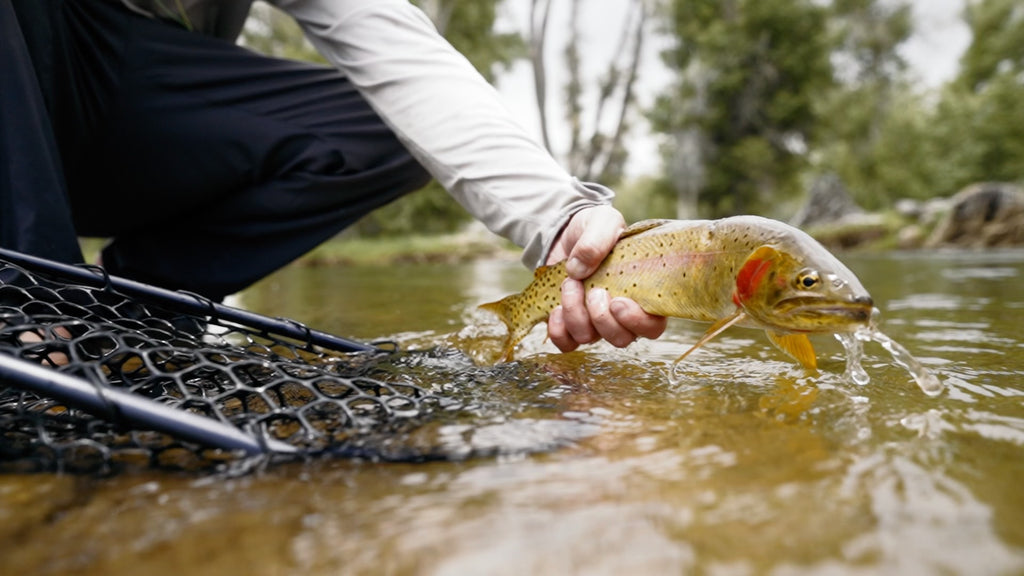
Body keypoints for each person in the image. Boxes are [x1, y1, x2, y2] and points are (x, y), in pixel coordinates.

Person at [1, 0, 667, 355]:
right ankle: (37, 308)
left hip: (119, 104)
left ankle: (135, 312)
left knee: (387, 130)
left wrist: (560, 217)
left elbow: (399, 52)